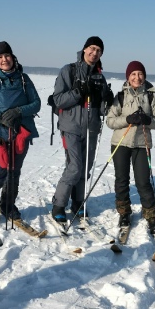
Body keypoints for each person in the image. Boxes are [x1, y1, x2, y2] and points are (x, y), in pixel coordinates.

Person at [0, 41, 41, 220]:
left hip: (20, 133)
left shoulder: (24, 79)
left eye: (7, 55)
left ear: (13, 57)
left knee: (14, 171)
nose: (4, 59)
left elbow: (36, 104)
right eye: (0, 57)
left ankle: (8, 206)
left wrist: (18, 111)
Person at [50, 36, 113, 223]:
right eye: (92, 48)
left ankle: (78, 202)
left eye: (98, 51)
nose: (94, 53)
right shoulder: (68, 70)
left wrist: (107, 100)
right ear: (84, 49)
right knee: (75, 167)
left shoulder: (100, 77)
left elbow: (102, 111)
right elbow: (58, 100)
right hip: (71, 127)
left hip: (91, 128)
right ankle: (59, 204)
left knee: (85, 168)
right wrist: (78, 92)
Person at [106, 61, 155, 233]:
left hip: (141, 143)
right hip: (120, 143)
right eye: (133, 74)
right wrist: (127, 119)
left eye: (140, 74)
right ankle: (124, 212)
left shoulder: (152, 96)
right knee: (121, 180)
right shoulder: (120, 96)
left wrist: (147, 120)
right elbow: (110, 121)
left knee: (143, 181)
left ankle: (151, 215)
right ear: (128, 77)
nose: (137, 77)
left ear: (144, 76)